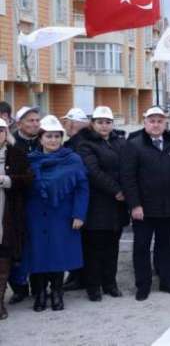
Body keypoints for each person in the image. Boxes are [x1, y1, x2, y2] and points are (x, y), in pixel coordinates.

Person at [23, 115, 89, 312]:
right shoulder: (30, 160)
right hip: (35, 214)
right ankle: (41, 293)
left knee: (59, 255)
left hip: (62, 213)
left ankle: (57, 292)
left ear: (61, 138)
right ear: (40, 138)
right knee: (38, 254)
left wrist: (79, 214)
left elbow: (82, 187)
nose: (53, 140)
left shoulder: (73, 160)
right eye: (49, 136)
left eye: (57, 136)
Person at [122, 106, 170, 301]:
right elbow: (128, 178)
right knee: (141, 247)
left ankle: (168, 282)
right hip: (144, 208)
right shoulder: (133, 145)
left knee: (167, 246)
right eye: (152, 121)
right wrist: (134, 205)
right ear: (145, 123)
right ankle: (143, 285)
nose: (156, 124)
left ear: (165, 123)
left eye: (160, 121)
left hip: (169, 206)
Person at [76, 106, 128, 301]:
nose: (104, 126)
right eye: (100, 122)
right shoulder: (85, 144)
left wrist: (126, 191)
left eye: (108, 122)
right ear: (93, 123)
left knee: (113, 248)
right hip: (97, 205)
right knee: (94, 249)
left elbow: (128, 167)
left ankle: (110, 283)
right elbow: (93, 172)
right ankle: (93, 286)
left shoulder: (120, 142)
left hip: (118, 206)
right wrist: (117, 190)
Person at [7, 105, 41, 304]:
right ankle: (19, 288)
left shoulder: (46, 139)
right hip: (15, 203)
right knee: (15, 247)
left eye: (37, 120)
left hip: (39, 203)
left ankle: (38, 286)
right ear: (19, 124)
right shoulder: (11, 144)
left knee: (37, 246)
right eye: (30, 120)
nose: (35, 124)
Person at [0, 118, 33, 320]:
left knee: (4, 259)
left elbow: (28, 179)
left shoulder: (16, 154)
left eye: (1, 131)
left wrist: (7, 180)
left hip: (7, 215)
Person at [61, 106, 91, 292]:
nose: (64, 125)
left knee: (80, 241)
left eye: (66, 121)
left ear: (73, 123)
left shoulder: (77, 144)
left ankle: (79, 277)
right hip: (80, 198)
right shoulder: (78, 141)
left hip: (79, 198)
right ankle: (76, 275)